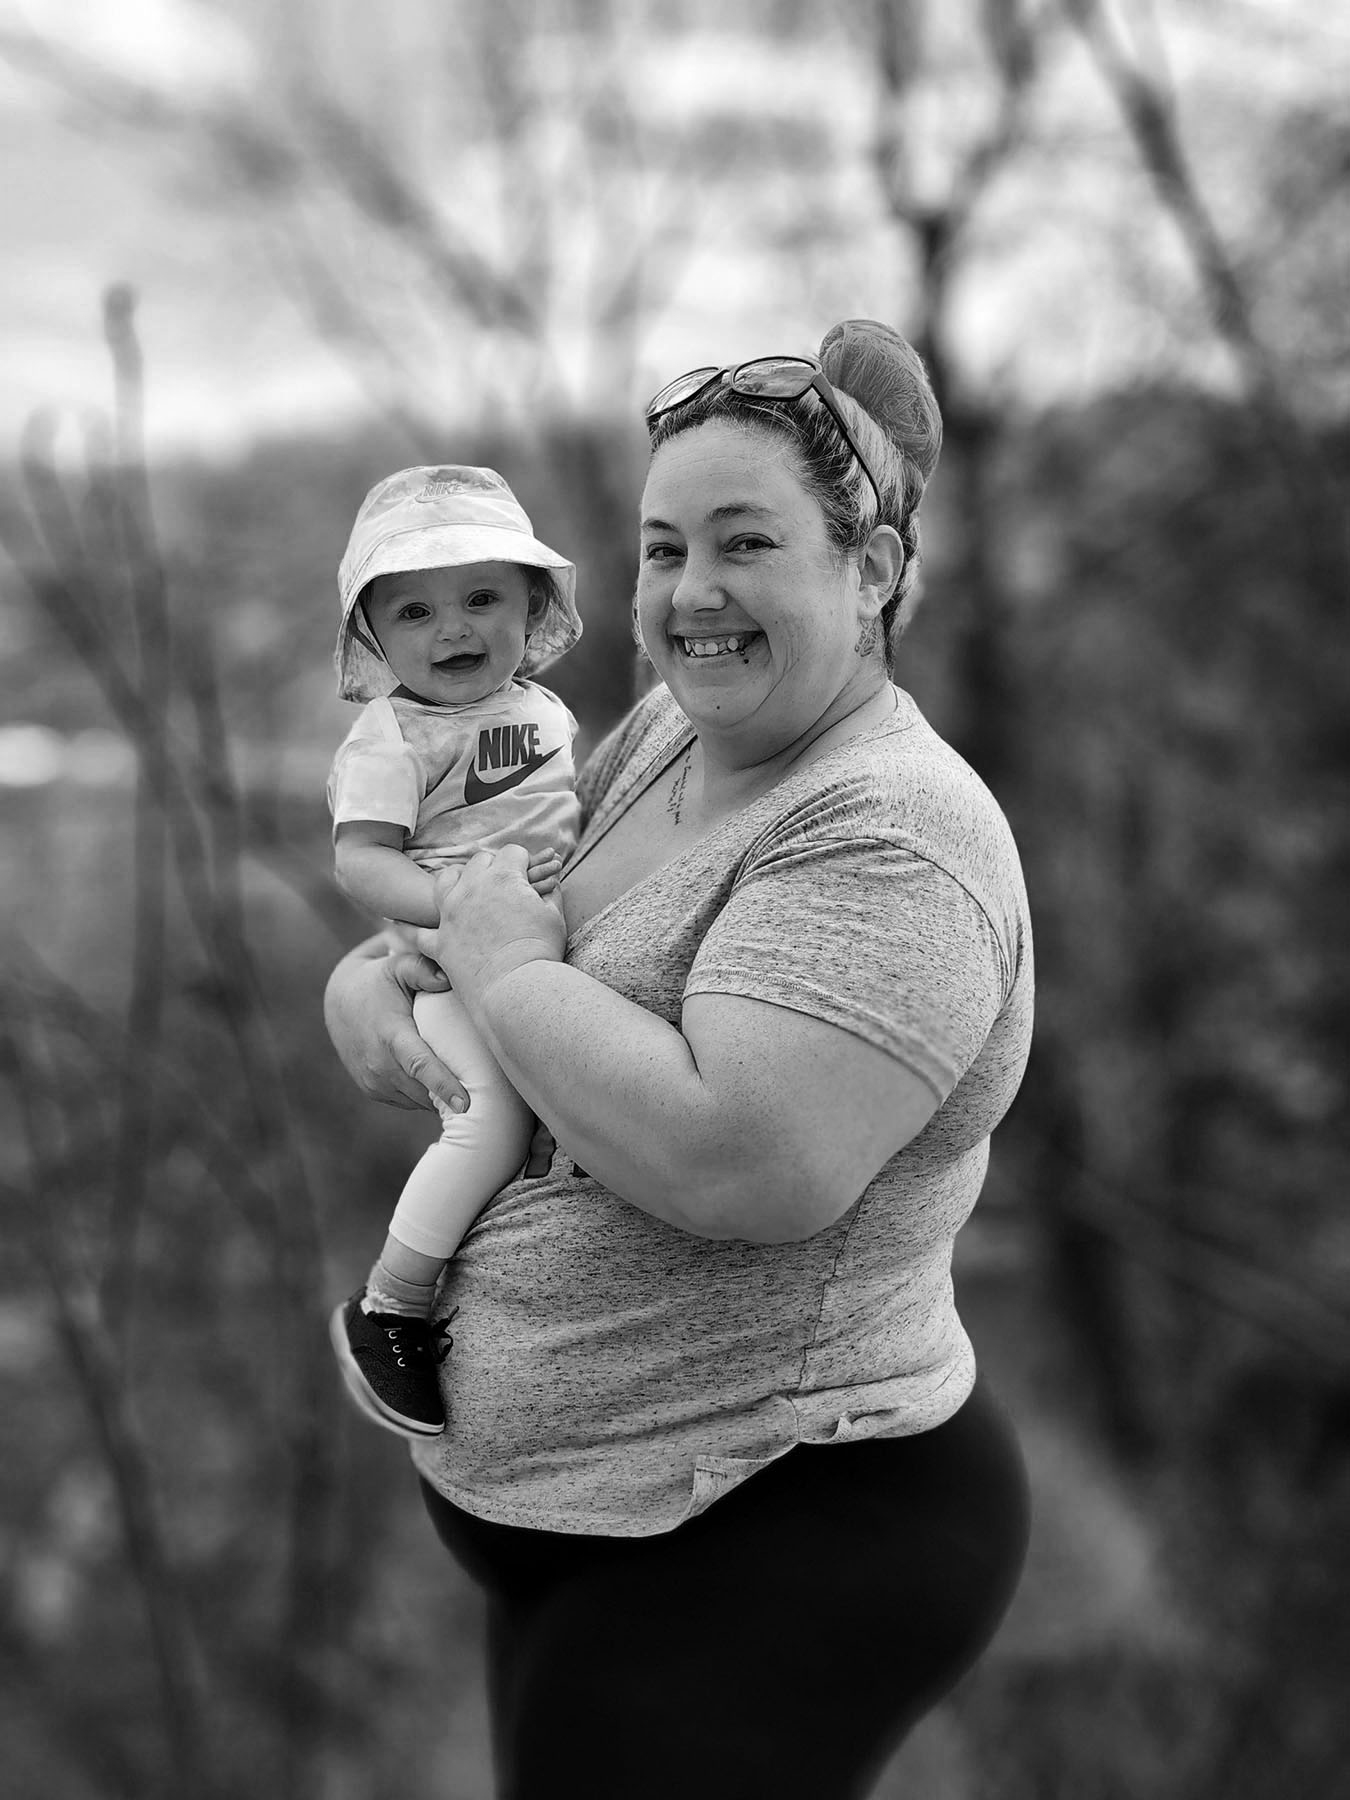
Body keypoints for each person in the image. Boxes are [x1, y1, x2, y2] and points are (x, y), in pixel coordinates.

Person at [324, 320, 1034, 1800]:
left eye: (741, 543)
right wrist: (375, 981)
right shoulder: (667, 734)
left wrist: (504, 973)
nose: (689, 595)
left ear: (875, 571)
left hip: (773, 1521)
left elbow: (743, 1161)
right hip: (582, 1524)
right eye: (659, 550)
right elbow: (498, 906)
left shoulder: (889, 835)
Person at [325, 464, 582, 1438]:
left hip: (538, 948)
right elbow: (361, 862)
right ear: (377, 636)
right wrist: (454, 905)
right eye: (417, 611)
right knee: (488, 1124)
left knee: (568, 1106)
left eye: (482, 598)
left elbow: (570, 823)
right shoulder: (393, 736)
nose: (454, 630)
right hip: (454, 961)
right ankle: (391, 1302)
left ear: (532, 604)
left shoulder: (546, 714)